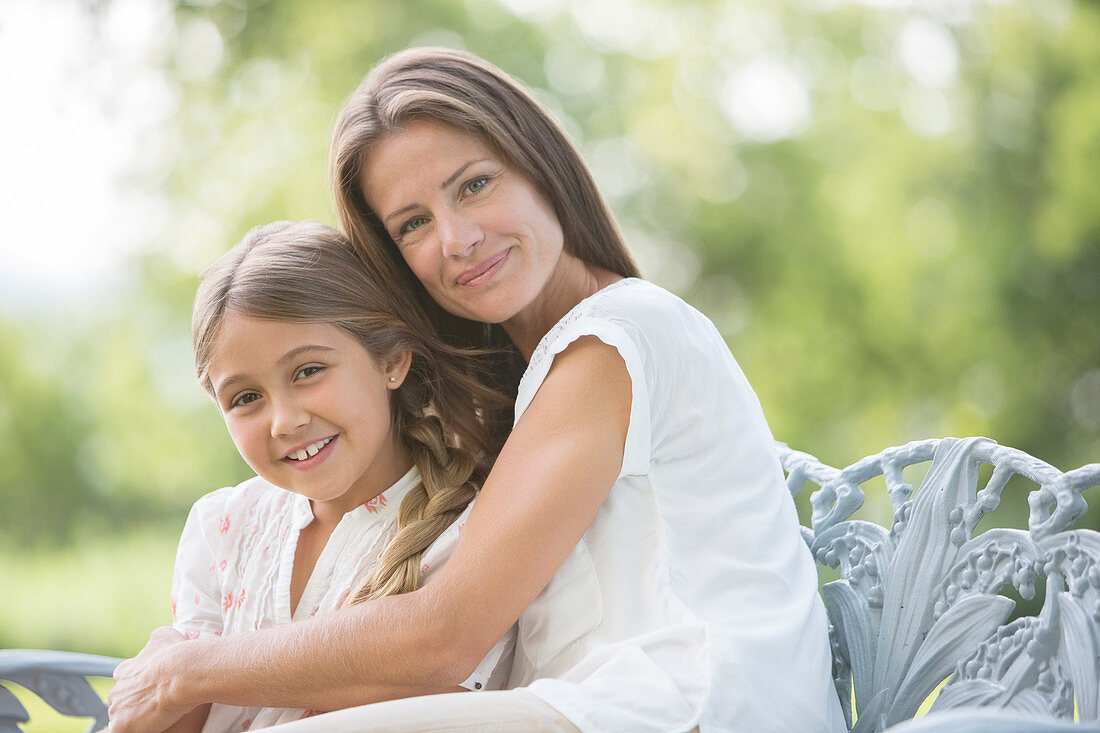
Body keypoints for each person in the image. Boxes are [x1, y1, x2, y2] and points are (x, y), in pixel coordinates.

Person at [108, 48, 846, 733]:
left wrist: (183, 669)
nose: (456, 239)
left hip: (697, 705)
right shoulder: (535, 380)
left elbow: (445, 635)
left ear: (540, 164)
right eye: (413, 224)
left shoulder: (616, 334)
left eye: (476, 184)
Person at [154, 219, 515, 732]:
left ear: (391, 360)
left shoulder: (468, 536)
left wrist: (181, 674)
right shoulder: (222, 527)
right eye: (246, 398)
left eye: (308, 371)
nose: (285, 421)